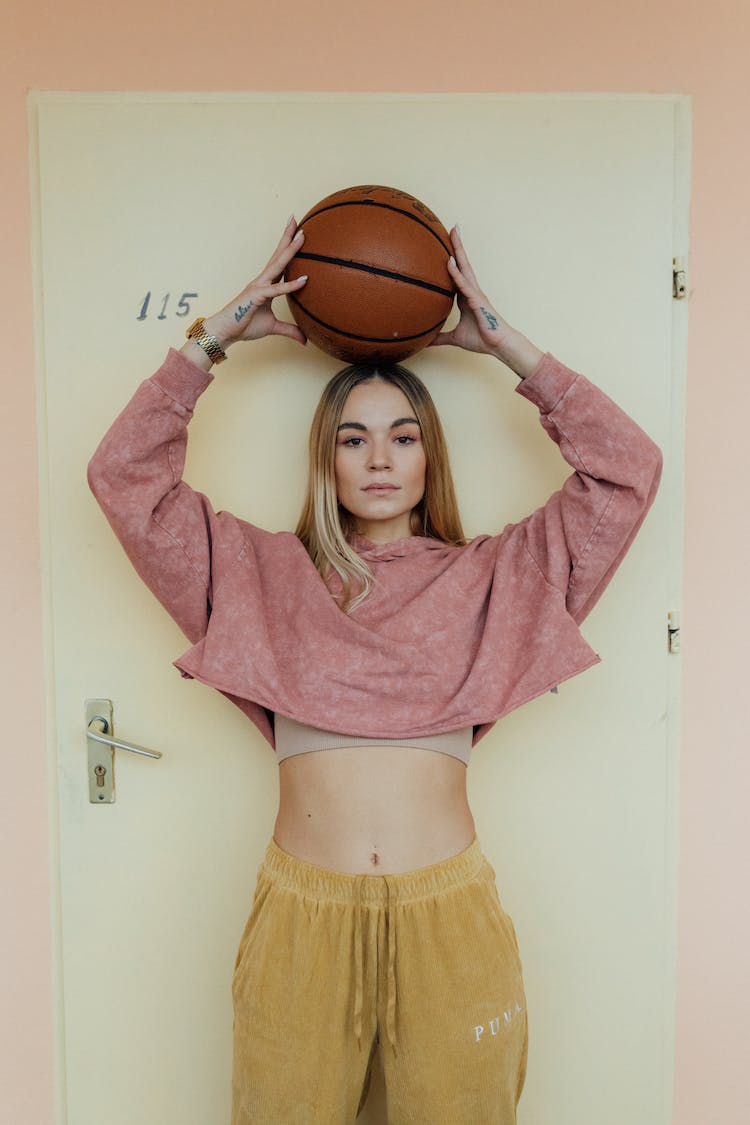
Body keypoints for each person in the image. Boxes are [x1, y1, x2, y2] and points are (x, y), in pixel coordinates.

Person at [87, 216, 662, 1124]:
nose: (380, 458)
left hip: (450, 920)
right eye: (353, 439)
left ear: (430, 453)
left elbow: (627, 470)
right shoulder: (257, 577)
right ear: (326, 458)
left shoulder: (495, 579)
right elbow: (123, 476)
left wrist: (500, 340)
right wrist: (223, 332)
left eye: (402, 435)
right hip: (300, 921)